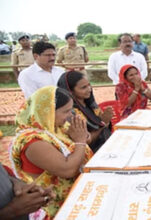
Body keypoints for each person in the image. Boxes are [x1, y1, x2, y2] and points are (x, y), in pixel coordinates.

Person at [10, 86, 93, 218]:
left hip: (74, 199)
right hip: (53, 208)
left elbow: (81, 141)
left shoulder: (54, 127)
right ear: (47, 113)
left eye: (71, 110)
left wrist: (83, 137)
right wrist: (80, 140)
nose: (70, 115)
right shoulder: (32, 141)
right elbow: (67, 170)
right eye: (66, 111)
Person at [57, 71, 112, 153]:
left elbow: (101, 121)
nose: (89, 89)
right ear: (70, 91)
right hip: (90, 152)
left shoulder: (90, 104)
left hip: (105, 145)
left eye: (89, 85)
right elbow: (85, 139)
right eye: (83, 87)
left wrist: (104, 121)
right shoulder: (70, 113)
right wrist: (103, 124)